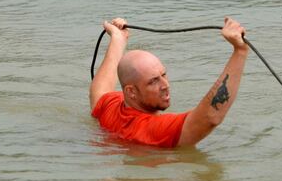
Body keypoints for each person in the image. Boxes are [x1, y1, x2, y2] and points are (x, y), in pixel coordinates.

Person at [90, 17, 249, 147]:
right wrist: (240, 51)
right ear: (131, 91)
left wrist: (118, 39)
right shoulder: (150, 129)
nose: (165, 85)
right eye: (153, 82)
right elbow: (209, 118)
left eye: (164, 75)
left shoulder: (110, 107)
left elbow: (99, 89)